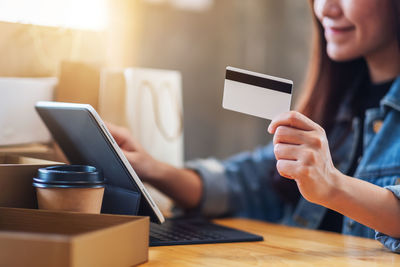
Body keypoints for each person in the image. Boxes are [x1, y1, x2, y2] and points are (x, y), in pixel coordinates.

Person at [107, 0, 400, 252]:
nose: (325, 8)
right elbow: (250, 183)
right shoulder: (338, 102)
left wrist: (332, 185)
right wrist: (149, 167)